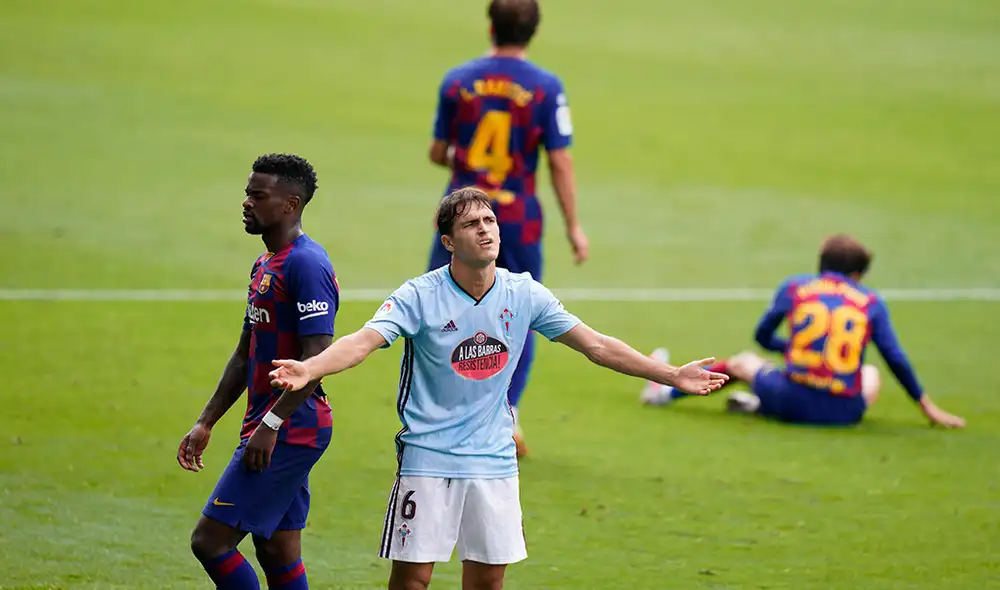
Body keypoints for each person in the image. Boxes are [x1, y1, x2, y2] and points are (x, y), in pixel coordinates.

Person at [268, 187, 728, 590]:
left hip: (494, 460)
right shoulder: (419, 295)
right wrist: (312, 369)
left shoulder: (523, 293)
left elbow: (597, 345)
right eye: (472, 224)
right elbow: (362, 342)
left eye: (490, 221)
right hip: (428, 457)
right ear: (448, 242)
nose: (486, 230)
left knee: (489, 579)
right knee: (413, 580)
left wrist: (670, 376)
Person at [425, 0, 589, 457]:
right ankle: (506, 413)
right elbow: (559, 159)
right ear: (533, 30)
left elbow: (439, 151)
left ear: (490, 25)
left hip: (458, 216)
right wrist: (574, 225)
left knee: (438, 309)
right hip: (515, 221)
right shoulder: (546, 87)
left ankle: (438, 413)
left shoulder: (457, 81)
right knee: (521, 315)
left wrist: (462, 160)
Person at [177, 154, 339, 590]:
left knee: (210, 541)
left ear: (290, 204)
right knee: (277, 549)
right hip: (272, 422)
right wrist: (206, 421)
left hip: (290, 425)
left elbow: (317, 360)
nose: (246, 202)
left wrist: (270, 425)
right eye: (247, 193)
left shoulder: (307, 265)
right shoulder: (265, 264)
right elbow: (245, 353)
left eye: (257, 195)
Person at [640, 234, 965, 429]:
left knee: (743, 361)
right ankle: (756, 405)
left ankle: (662, 394)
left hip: (790, 398)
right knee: (870, 373)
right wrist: (926, 405)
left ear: (821, 264)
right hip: (845, 413)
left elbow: (762, 337)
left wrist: (795, 351)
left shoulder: (797, 287)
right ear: (857, 274)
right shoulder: (871, 301)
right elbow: (894, 356)